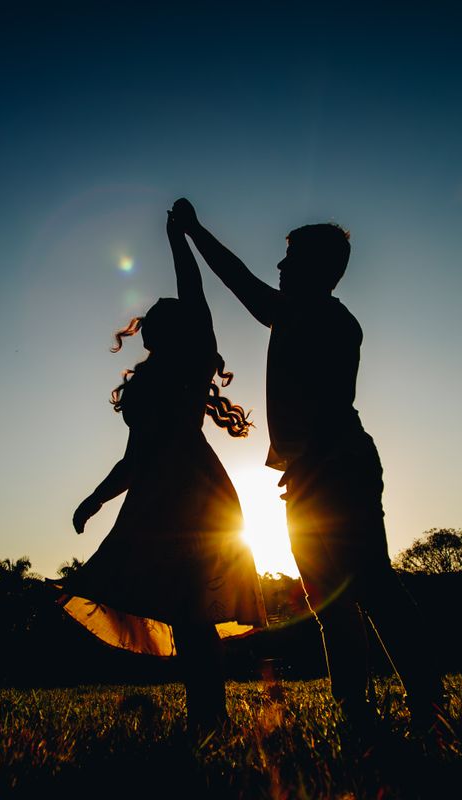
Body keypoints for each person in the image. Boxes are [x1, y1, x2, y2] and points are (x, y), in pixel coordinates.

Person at [169, 197, 444, 735]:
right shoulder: (303, 314)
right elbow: (249, 286)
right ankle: (356, 711)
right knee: (330, 600)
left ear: (318, 268)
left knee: (372, 589)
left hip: (336, 468)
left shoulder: (321, 317)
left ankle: (427, 706)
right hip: (310, 474)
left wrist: (195, 232)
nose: (280, 265)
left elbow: (243, 285)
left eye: (290, 257)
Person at [62, 210, 266, 734]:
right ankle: (207, 717)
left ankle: (211, 719)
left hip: (196, 494)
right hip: (154, 497)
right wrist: (96, 499)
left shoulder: (193, 362)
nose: (148, 316)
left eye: (161, 313)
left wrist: (179, 237)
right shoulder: (146, 380)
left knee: (194, 613)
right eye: (149, 313)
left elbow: (194, 294)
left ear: (179, 329)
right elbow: (134, 457)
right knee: (180, 610)